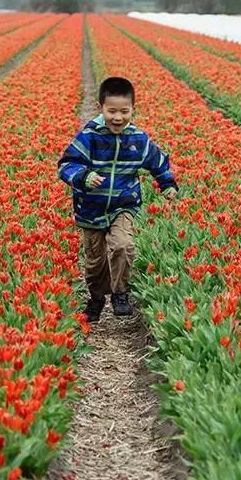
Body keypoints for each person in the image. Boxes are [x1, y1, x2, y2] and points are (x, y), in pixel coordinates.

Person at [59, 76, 178, 322]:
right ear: (100, 107)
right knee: (96, 262)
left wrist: (167, 184)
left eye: (124, 111)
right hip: (90, 208)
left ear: (133, 109)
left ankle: (120, 293)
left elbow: (158, 162)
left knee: (123, 245)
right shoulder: (89, 136)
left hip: (124, 204)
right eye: (111, 110)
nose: (118, 117)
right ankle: (96, 298)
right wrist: (84, 176)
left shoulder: (139, 140)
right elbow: (66, 164)